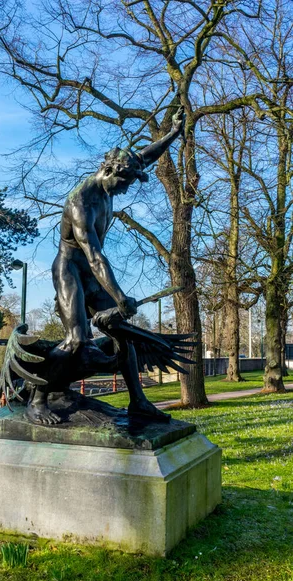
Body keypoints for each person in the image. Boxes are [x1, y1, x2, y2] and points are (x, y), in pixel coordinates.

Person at [25, 106, 185, 425]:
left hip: (92, 273)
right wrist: (121, 296)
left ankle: (138, 401)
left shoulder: (114, 179)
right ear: (109, 172)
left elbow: (145, 157)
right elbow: (95, 256)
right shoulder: (81, 202)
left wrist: (173, 134)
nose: (124, 190)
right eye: (123, 184)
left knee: (121, 334)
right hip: (70, 270)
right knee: (76, 341)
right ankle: (38, 398)